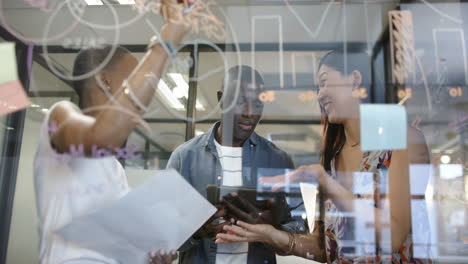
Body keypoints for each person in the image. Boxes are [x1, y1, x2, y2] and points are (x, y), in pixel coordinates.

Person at [215, 51, 431, 264]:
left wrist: (326, 183)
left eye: (324, 83)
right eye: (318, 88)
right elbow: (323, 249)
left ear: (355, 79)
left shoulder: (403, 141)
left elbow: (392, 236)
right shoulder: (332, 161)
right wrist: (268, 234)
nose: (319, 95)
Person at [33, 0, 195, 263]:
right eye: (134, 78)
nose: (144, 90)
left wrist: (150, 258)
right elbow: (102, 137)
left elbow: (115, 247)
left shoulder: (114, 170)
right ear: (105, 81)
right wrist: (168, 36)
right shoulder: (59, 116)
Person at [167, 65, 300, 264]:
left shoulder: (279, 161)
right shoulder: (185, 157)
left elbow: (298, 229)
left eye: (257, 104)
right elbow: (164, 233)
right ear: (221, 99)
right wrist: (197, 232)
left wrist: (270, 232)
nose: (249, 113)